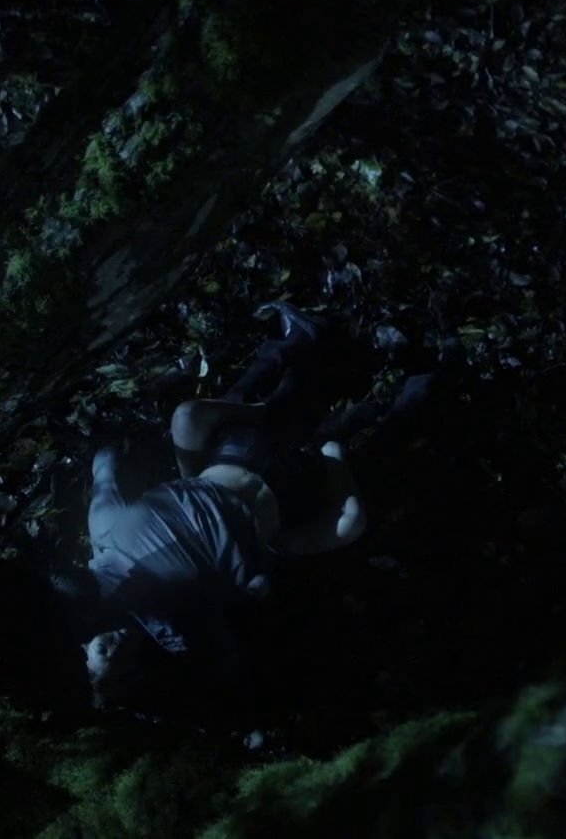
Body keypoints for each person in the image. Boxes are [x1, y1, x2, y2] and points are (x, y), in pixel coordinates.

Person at [76, 303, 379, 710]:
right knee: (350, 521)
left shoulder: (106, 535)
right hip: (276, 525)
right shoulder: (177, 637)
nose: (113, 650)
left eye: (101, 655)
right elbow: (239, 632)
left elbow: (106, 465)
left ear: (87, 641)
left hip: (229, 467)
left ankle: (295, 350)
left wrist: (115, 460)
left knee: (196, 417)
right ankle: (334, 441)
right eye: (116, 666)